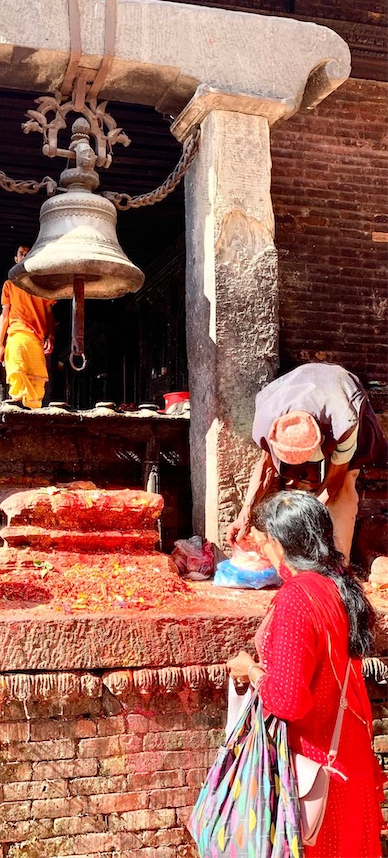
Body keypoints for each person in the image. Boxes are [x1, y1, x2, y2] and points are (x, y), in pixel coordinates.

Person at [227, 491, 384, 857]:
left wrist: (249, 669)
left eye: (265, 543)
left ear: (281, 544)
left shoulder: (297, 598)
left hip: (317, 772)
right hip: (347, 757)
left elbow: (288, 701)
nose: (264, 552)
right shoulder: (338, 587)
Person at [227, 363, 386, 560]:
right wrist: (245, 512)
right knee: (298, 488)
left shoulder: (344, 422)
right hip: (296, 388)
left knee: (345, 488)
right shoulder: (268, 421)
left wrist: (307, 515)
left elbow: (335, 479)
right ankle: (304, 559)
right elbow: (266, 467)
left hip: (338, 387)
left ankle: (338, 565)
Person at [0, 246, 55, 410]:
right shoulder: (9, 285)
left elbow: (49, 312)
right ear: (16, 259)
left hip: (37, 339)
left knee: (38, 378)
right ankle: (18, 410)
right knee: (16, 371)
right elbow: (5, 315)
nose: (24, 256)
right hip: (17, 334)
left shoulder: (42, 285)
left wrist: (51, 336)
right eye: (21, 254)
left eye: (28, 254)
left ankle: (33, 413)